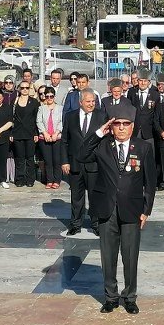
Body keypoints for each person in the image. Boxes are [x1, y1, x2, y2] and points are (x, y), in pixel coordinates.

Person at [77, 102, 156, 315]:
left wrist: (146, 210)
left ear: (132, 126)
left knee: (130, 257)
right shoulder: (103, 145)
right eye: (117, 124)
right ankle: (110, 297)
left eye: (125, 124)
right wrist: (98, 133)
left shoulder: (143, 147)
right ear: (111, 126)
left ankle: (129, 297)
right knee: (108, 256)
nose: (121, 128)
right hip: (106, 209)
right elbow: (82, 155)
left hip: (132, 210)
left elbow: (150, 183)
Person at [62, 88, 107, 235]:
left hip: (94, 164)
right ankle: (75, 224)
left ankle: (96, 224)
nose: (91, 104)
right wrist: (64, 161)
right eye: (88, 101)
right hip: (75, 164)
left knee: (95, 195)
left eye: (93, 101)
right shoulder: (70, 116)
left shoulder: (101, 116)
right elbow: (65, 141)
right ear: (80, 102)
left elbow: (105, 141)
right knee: (76, 196)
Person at [10, 79, 39, 187]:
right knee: (19, 158)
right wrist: (11, 134)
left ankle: (30, 179)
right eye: (22, 88)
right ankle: (19, 179)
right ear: (19, 89)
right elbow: (11, 118)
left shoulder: (34, 102)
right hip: (17, 133)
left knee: (30, 158)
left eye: (27, 88)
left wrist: (36, 133)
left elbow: (36, 119)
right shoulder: (15, 101)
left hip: (30, 133)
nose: (25, 90)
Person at [36, 86, 63, 189]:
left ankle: (57, 180)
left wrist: (56, 133)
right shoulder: (41, 108)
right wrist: (45, 133)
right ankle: (49, 180)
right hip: (45, 137)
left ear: (54, 97)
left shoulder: (60, 108)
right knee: (48, 160)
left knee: (57, 160)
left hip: (57, 136)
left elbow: (61, 121)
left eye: (51, 96)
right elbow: (39, 121)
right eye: (47, 96)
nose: (49, 98)